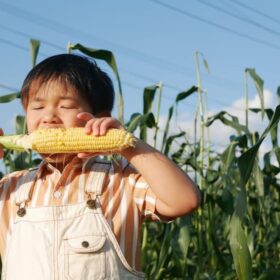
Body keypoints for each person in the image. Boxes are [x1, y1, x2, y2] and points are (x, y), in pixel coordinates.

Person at [0, 54, 201, 280]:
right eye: (37, 107)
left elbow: (185, 200)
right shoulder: (10, 188)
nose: (48, 117)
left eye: (65, 105)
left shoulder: (121, 180)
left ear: (98, 118)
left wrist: (128, 144)